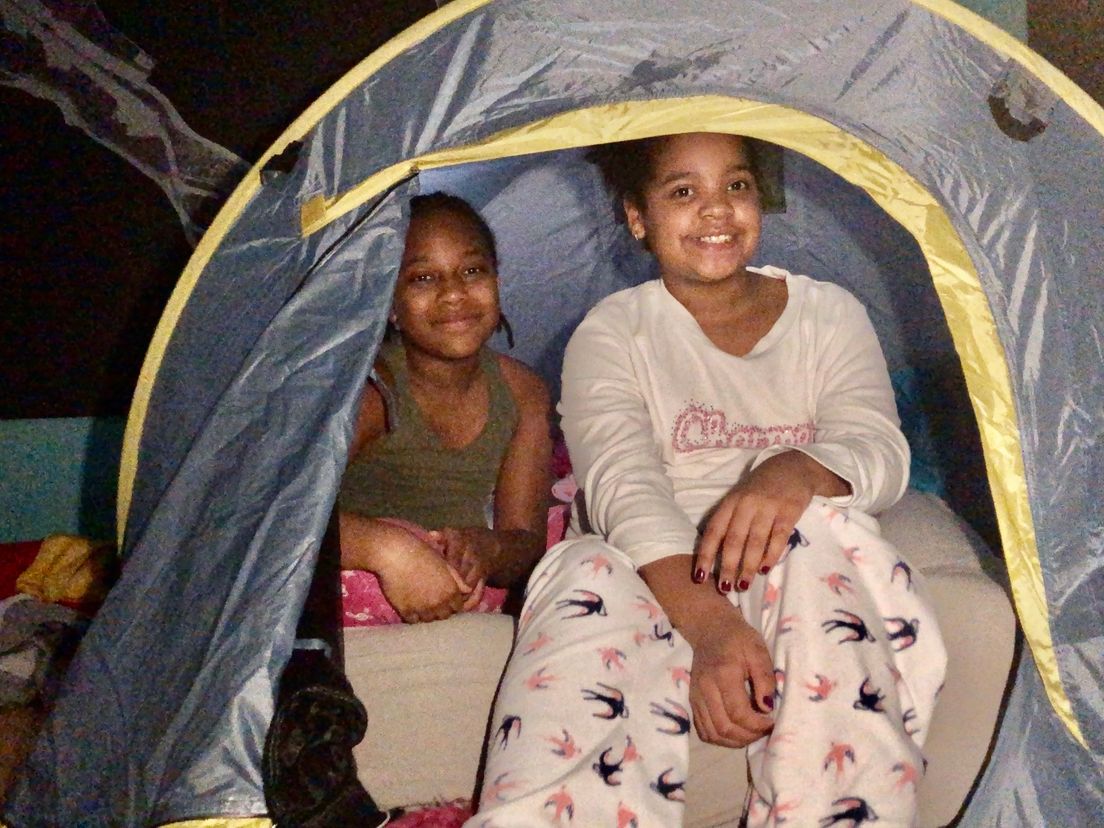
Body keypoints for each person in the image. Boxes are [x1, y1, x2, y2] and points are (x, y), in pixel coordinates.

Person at [467, 133, 946, 827]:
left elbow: (878, 449)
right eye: (683, 192)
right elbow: (623, 490)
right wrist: (714, 630)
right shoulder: (613, 333)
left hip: (788, 568)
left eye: (738, 186)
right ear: (639, 217)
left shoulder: (828, 314)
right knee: (585, 568)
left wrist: (795, 469)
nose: (716, 211)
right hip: (652, 570)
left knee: (821, 526)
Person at [338, 192, 552, 625]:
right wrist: (389, 551)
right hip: (365, 597)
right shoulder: (374, 392)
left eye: (472, 271)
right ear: (391, 305)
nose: (453, 294)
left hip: (458, 602)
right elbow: (282, 515)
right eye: (422, 279)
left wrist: (489, 549)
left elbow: (527, 542)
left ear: (497, 281)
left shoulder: (523, 392)